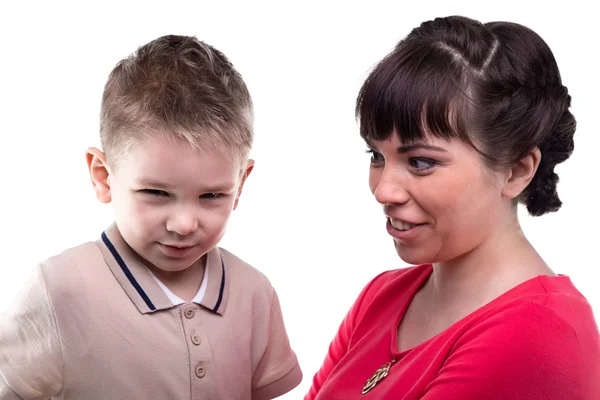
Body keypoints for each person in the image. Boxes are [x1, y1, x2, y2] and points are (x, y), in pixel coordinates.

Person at [305, 15, 600, 399]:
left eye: (421, 162)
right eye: (376, 155)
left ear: (515, 170)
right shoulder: (381, 297)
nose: (383, 190)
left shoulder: (536, 334)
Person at [0, 35, 301, 400]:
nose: (184, 224)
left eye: (211, 196)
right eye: (157, 193)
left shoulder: (254, 293)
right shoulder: (58, 290)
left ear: (241, 184)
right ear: (102, 176)